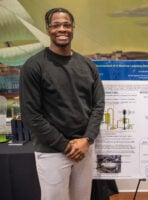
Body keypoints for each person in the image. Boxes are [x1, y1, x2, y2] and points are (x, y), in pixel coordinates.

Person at [20, 7, 105, 200]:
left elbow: (98, 105)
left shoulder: (87, 64)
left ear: (73, 28)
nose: (62, 29)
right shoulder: (34, 66)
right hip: (52, 152)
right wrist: (65, 146)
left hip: (84, 149)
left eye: (66, 25)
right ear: (48, 29)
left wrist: (87, 140)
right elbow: (30, 114)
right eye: (56, 25)